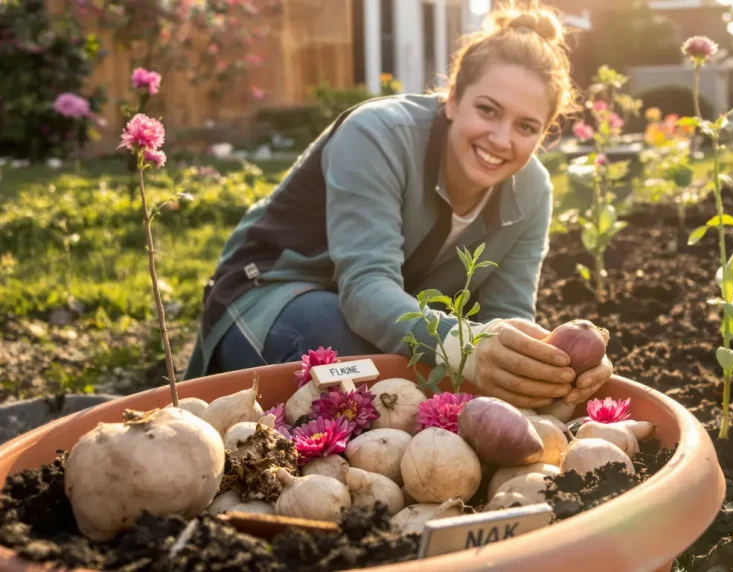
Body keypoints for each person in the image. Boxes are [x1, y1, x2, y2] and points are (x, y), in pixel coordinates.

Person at [184, 2, 614, 408]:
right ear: (452, 98)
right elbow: (367, 289)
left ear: (544, 134)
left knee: (423, 374)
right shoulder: (379, 135)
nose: (502, 139)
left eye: (526, 127)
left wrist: (545, 367)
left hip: (389, 331)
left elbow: (503, 318)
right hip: (270, 297)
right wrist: (467, 349)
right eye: (487, 110)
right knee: (348, 356)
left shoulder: (532, 190)